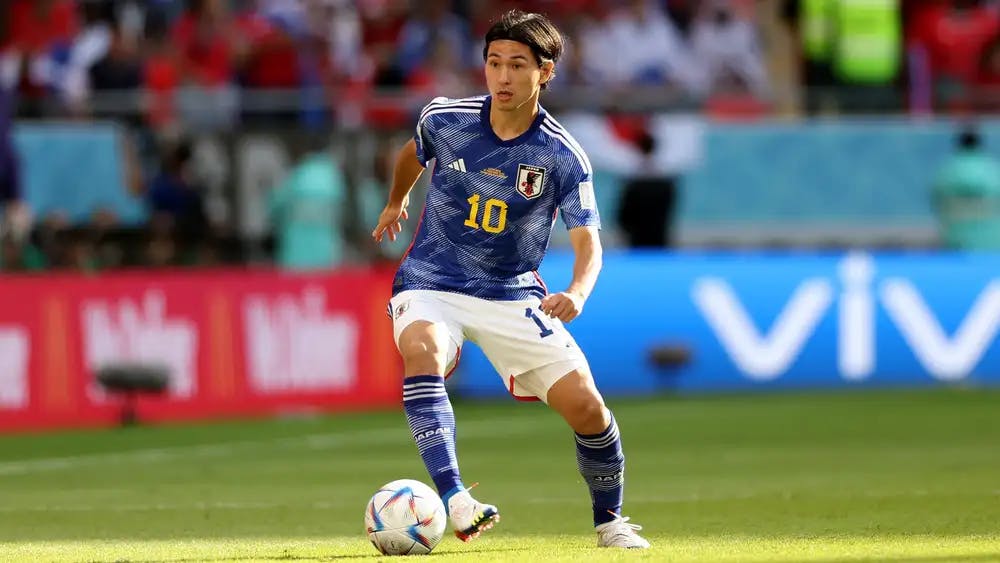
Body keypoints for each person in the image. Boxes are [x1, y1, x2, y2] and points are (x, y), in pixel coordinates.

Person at [370, 10, 650, 549]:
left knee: (588, 408)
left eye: (517, 65)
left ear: (545, 73)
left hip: (510, 293)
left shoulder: (562, 155)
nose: (503, 76)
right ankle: (456, 499)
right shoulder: (445, 119)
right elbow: (413, 153)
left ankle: (611, 522)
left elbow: (588, 241)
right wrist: (396, 200)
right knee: (422, 352)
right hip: (432, 280)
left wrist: (578, 292)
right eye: (494, 62)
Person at [931, 125, 1000, 250]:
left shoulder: (947, 171)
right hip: (993, 247)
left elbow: (936, 201)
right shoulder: (993, 170)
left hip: (955, 244)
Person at [617, 129, 678, 248]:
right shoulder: (666, 180)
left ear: (637, 148)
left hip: (637, 238)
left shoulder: (632, 181)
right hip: (660, 237)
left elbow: (624, 216)